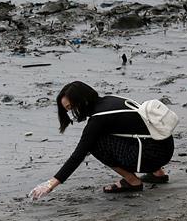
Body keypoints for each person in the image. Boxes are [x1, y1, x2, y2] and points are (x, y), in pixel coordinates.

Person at [29, 81, 174, 198]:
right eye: (68, 110)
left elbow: (79, 154)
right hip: (165, 146)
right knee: (130, 133)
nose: (71, 113)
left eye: (71, 107)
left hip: (154, 155)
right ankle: (158, 173)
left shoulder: (98, 119)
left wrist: (51, 184)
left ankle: (132, 181)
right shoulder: (110, 100)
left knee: (94, 144)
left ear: (82, 101)